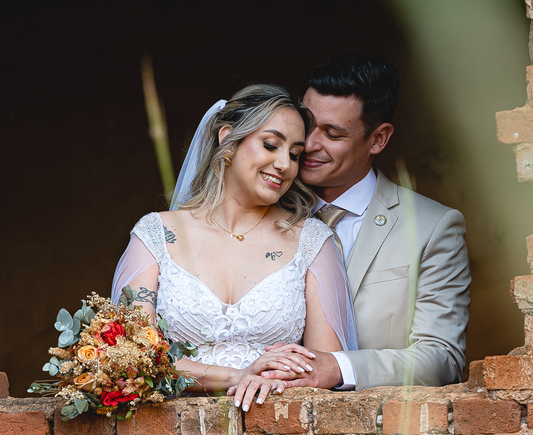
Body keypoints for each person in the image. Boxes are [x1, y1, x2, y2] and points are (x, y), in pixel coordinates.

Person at [111, 84, 358, 412]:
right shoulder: (156, 235)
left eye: (295, 154)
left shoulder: (313, 241)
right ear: (228, 140)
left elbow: (321, 368)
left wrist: (281, 376)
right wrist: (237, 376)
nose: (284, 163)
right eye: (271, 145)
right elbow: (131, 359)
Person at [261, 53, 472, 390]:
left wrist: (337, 368)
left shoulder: (434, 228)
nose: (309, 144)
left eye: (332, 133)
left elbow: (441, 358)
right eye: (307, 124)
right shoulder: (258, 210)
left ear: (378, 139)